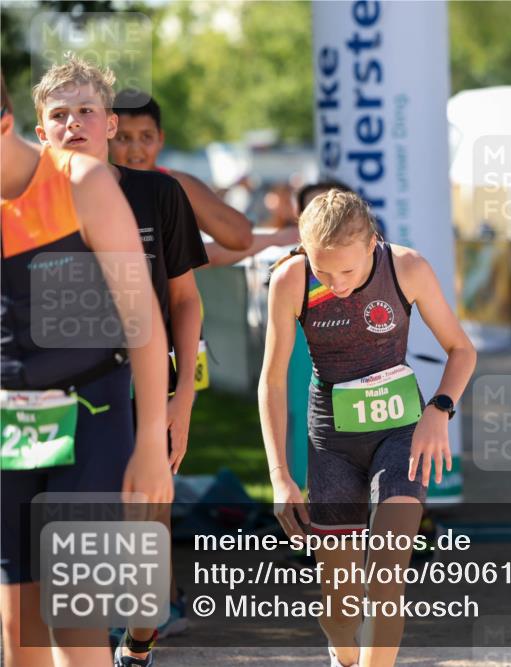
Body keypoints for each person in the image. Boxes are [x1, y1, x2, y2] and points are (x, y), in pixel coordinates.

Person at [32, 54, 207, 665]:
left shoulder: (157, 194)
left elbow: (185, 301)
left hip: (144, 394)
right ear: (41, 131)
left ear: (109, 123)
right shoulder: (22, 205)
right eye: (60, 115)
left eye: (86, 111)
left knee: (143, 542)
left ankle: (137, 641)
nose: (73, 123)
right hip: (53, 399)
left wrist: (181, 400)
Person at [259, 190, 476, 667]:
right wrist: (280, 476)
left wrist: (439, 408)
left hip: (400, 434)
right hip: (333, 445)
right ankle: (343, 654)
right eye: (324, 271)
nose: (336, 284)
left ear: (373, 243)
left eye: (349, 271)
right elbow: (272, 381)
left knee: (386, 579)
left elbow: (462, 349)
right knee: (340, 608)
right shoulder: (291, 279)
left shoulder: (406, 268)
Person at [1, 72, 172, 667]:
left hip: (93, 410)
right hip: (11, 423)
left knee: (74, 622)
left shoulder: (82, 182)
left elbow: (143, 318)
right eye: (60, 113)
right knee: (19, 631)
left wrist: (150, 443)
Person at [109, 90, 278, 265]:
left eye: (146, 137)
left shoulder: (174, 185)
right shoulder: (97, 188)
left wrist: (275, 239)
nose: (135, 148)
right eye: (124, 138)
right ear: (108, 138)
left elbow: (241, 237)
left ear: (160, 138)